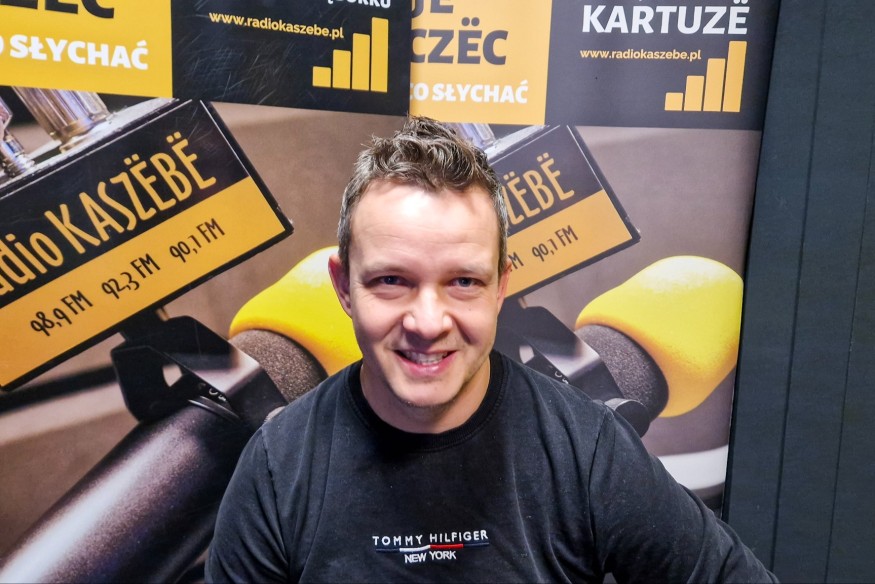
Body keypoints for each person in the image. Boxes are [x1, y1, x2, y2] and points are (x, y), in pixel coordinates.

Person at [206, 117, 777, 582]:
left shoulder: (586, 447)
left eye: (464, 282)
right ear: (342, 286)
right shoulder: (278, 465)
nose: (428, 323)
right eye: (391, 281)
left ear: (501, 286)